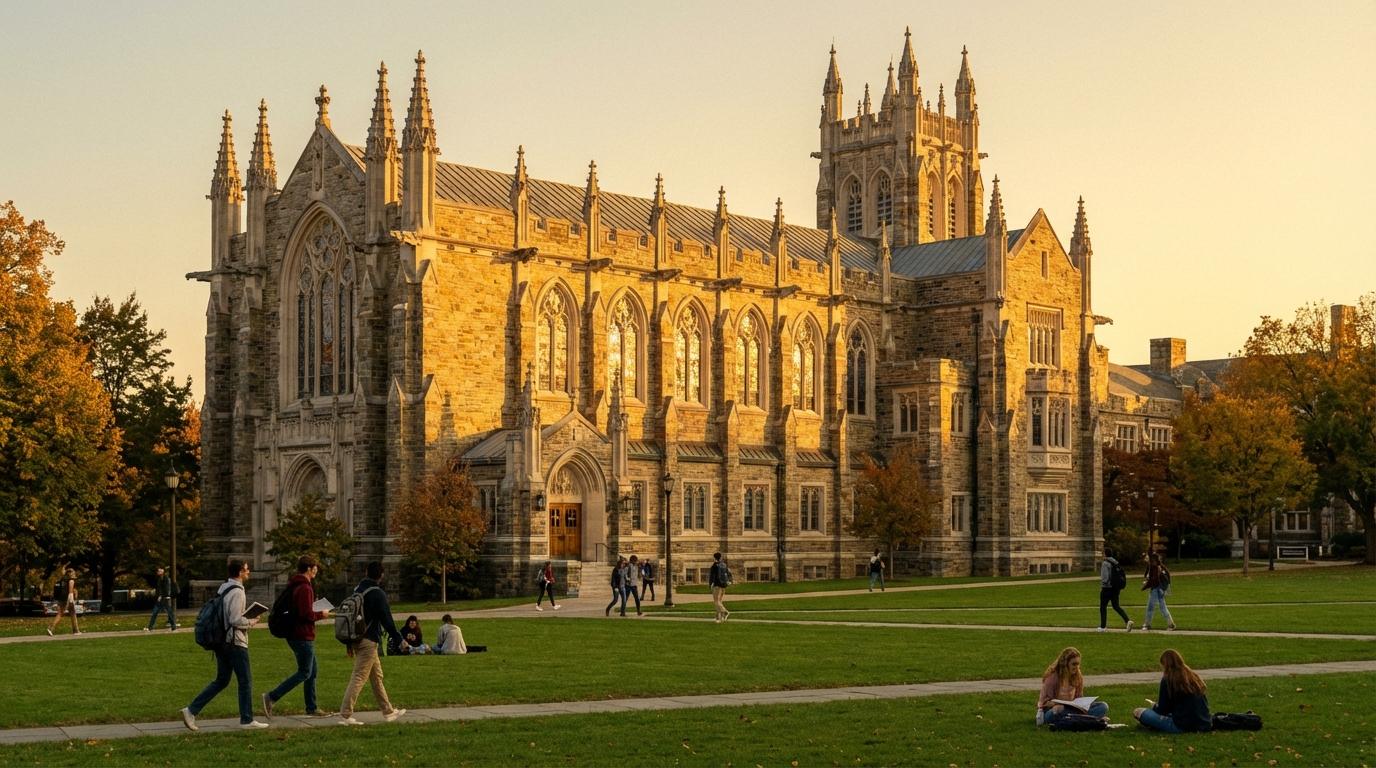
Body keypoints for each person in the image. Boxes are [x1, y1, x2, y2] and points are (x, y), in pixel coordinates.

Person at [180, 560, 269, 730]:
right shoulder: (238, 592)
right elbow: (235, 619)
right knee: (245, 680)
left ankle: (191, 710)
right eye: (246, 569)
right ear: (240, 573)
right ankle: (247, 719)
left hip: (222, 641)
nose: (249, 571)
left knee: (222, 680)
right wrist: (251, 621)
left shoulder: (224, 588)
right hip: (234, 642)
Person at [262, 555, 332, 719]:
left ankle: (312, 707)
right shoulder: (305, 587)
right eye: (315, 567)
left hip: (296, 634)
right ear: (309, 568)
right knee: (304, 672)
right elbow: (305, 614)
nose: (317, 569)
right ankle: (271, 697)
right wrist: (321, 614)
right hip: (302, 635)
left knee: (312, 671)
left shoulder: (296, 585)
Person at [340, 561, 407, 726]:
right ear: (381, 575)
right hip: (368, 640)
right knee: (359, 676)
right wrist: (399, 639)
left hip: (356, 638)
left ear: (366, 572)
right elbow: (387, 620)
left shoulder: (358, 590)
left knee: (376, 676)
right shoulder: (377, 593)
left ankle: (388, 711)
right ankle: (345, 715)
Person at [1133, 649, 1212, 733]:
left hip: (1182, 726)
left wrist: (1154, 706)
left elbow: (1162, 710)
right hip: (1204, 723)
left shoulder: (1168, 679)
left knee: (1138, 712)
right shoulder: (1193, 676)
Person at [1037, 646, 1109, 727]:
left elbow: (1079, 698)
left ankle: (1077, 719)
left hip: (1073, 709)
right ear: (1065, 664)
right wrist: (1055, 704)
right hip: (1054, 710)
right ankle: (1090, 719)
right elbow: (1043, 704)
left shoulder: (1078, 676)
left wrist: (1084, 704)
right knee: (1055, 712)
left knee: (1103, 706)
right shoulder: (1052, 678)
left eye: (1078, 664)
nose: (1077, 667)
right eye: (1074, 664)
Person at [1098, 549, 1134, 632]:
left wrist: (1103, 584)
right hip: (1116, 588)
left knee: (1103, 607)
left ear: (1105, 554)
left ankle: (1103, 627)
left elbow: (1105, 578)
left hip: (1107, 589)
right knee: (1116, 606)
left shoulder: (1105, 563)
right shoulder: (1116, 563)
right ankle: (1127, 621)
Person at [1141, 552, 1176, 631]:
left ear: (1153, 560)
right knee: (1163, 607)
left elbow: (1154, 580)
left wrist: (1145, 586)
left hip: (1156, 589)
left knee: (1150, 607)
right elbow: (1167, 578)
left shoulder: (1156, 567)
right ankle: (1171, 624)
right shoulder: (1161, 567)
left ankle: (1147, 624)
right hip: (1160, 589)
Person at [46, 568, 80, 636]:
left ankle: (76, 630)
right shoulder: (71, 581)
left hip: (62, 598)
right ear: (70, 574)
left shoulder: (64, 580)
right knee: (60, 614)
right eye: (73, 572)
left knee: (72, 613)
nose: (74, 573)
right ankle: (51, 628)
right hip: (67, 599)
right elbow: (70, 592)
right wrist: (71, 601)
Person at [144, 566, 178, 632]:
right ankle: (150, 627)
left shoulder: (166, 579)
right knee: (155, 612)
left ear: (163, 571)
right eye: (158, 571)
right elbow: (160, 589)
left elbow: (166, 589)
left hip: (165, 599)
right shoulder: (160, 579)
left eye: (160, 571)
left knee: (169, 613)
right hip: (161, 599)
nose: (158, 572)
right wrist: (158, 595)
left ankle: (173, 626)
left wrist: (162, 596)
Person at [708, 552, 731, 623]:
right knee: (719, 601)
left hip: (717, 585)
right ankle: (719, 617)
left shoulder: (714, 566)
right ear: (720, 557)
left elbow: (712, 576)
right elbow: (728, 573)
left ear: (714, 558)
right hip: (723, 585)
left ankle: (725, 612)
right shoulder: (724, 565)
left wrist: (710, 584)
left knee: (716, 601)